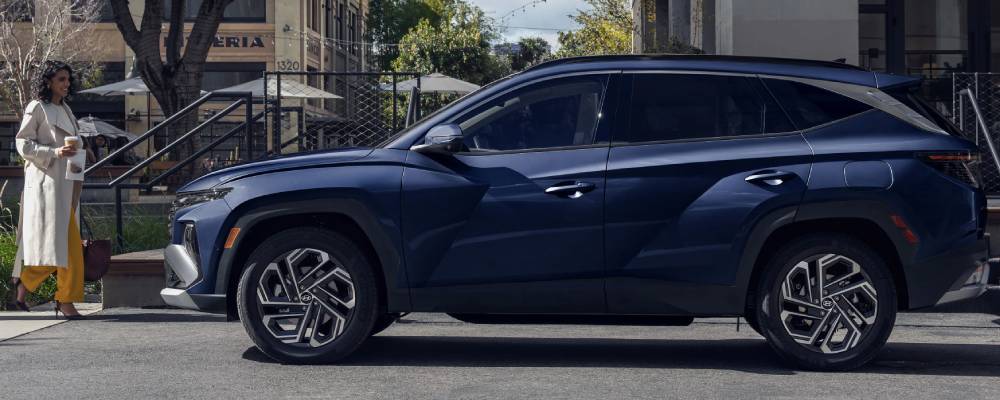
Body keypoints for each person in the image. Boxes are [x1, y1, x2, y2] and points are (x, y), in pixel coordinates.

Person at [8, 61, 87, 319]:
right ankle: (65, 300)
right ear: (48, 81)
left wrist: (81, 153)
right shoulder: (37, 107)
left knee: (59, 245)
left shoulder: (65, 109)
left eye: (68, 79)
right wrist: (54, 152)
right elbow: (23, 143)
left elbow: (71, 143)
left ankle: (25, 284)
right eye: (61, 79)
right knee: (68, 247)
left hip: (67, 183)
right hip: (47, 186)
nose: (66, 83)